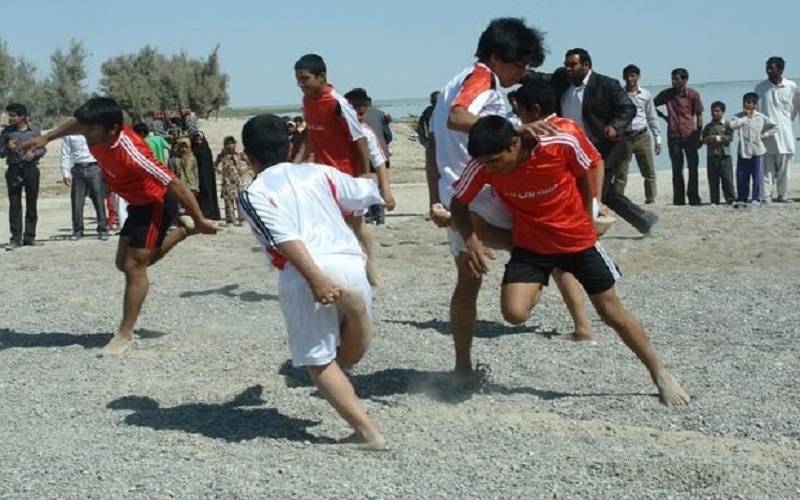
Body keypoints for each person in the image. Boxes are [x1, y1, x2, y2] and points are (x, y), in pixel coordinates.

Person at [451, 114, 691, 406]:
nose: (492, 168)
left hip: (577, 241)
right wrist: (472, 240)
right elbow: (458, 205)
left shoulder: (557, 143)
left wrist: (587, 214)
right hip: (531, 245)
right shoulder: (482, 165)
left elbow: (585, 170)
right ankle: (539, 279)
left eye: (497, 160)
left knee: (612, 313)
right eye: (487, 163)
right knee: (514, 314)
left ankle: (660, 373)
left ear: (515, 143)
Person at [20, 97, 217, 356]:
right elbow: (77, 123)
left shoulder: (133, 150)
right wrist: (47, 137)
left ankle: (124, 334)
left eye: (91, 129)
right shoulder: (96, 132)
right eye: (85, 127)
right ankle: (182, 231)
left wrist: (200, 218)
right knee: (123, 263)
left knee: (135, 266)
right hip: (135, 202)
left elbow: (175, 184)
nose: (85, 133)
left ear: (112, 128)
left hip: (155, 202)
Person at [238, 114, 385, 450]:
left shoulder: (253, 192)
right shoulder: (320, 173)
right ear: (290, 146)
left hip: (306, 273)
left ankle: (367, 432)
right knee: (345, 358)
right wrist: (372, 171)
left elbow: (284, 238)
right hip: (351, 262)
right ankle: (357, 311)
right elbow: (367, 189)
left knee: (318, 360)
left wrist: (316, 279)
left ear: (249, 157)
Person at [426, 17, 551, 376]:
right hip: (483, 192)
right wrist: (516, 128)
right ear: (496, 58)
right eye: (520, 64)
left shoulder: (452, 82)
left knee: (468, 282)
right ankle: (575, 324)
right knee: (546, 248)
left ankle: (462, 367)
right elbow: (458, 117)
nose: (523, 73)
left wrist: (435, 197)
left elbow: (434, 143)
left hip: (456, 195)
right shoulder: (481, 79)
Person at [543, 49, 658, 235]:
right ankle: (644, 219)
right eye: (566, 65)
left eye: (573, 65)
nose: (568, 69)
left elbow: (627, 108)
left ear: (586, 65)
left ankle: (583, 232)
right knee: (605, 192)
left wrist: (615, 126)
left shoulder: (606, 84)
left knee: (595, 191)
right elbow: (540, 78)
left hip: (605, 149)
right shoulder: (562, 82)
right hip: (575, 150)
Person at [292, 53, 381, 287]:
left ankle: (367, 275)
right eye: (298, 80)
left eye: (305, 79)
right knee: (338, 227)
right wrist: (296, 164)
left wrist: (362, 177)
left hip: (345, 175)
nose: (301, 85)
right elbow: (311, 134)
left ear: (321, 77)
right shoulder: (307, 101)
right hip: (321, 175)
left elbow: (360, 140)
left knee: (351, 228)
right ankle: (360, 275)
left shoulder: (338, 104)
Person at [605, 64, 661, 203]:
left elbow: (652, 116)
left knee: (648, 171)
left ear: (638, 76)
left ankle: (650, 198)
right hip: (624, 137)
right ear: (623, 77)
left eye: (633, 76)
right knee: (621, 172)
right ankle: (618, 199)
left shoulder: (645, 95)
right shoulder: (620, 95)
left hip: (642, 136)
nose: (630, 79)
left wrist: (658, 139)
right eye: (628, 76)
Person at [344, 88, 396, 225]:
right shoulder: (333, 130)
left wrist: (387, 192)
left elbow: (380, 163)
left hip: (358, 182)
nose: (357, 118)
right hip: (339, 182)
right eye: (353, 113)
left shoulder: (367, 132)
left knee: (358, 225)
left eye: (361, 114)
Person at [654, 68, 704, 206]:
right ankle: (679, 199)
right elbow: (651, 105)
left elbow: (699, 115)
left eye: (676, 79)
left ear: (684, 80)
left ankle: (693, 197)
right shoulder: (667, 94)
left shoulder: (693, 94)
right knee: (677, 168)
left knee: (693, 167)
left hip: (690, 134)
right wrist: (664, 117)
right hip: (673, 134)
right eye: (672, 78)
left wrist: (699, 135)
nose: (673, 81)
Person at [754, 56, 800, 203]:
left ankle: (783, 195)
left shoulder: (791, 86)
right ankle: (766, 195)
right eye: (767, 67)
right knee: (767, 167)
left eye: (772, 68)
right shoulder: (760, 88)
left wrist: (785, 121)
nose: (768, 70)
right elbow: (757, 111)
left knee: (785, 167)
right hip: (766, 133)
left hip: (785, 132)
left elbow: (795, 109)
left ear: (780, 69)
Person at [0, 103, 46, 249]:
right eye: (9, 115)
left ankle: (30, 237)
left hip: (31, 169)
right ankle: (15, 239)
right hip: (13, 170)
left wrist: (34, 154)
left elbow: (43, 149)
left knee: (31, 204)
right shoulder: (6, 132)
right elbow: (0, 153)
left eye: (13, 115)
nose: (10, 118)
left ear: (22, 117)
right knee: (15, 205)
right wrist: (8, 148)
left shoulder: (35, 130)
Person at [728, 93, 777, 206]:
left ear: (755, 104)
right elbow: (732, 126)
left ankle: (756, 198)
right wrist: (745, 118)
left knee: (757, 175)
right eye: (745, 102)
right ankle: (742, 197)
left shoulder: (760, 117)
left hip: (757, 151)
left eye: (749, 102)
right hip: (743, 151)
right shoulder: (738, 116)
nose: (746, 104)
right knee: (741, 175)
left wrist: (765, 134)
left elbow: (775, 126)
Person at [60, 134, 109, 240]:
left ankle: (102, 228)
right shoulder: (69, 135)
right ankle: (78, 230)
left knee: (99, 200)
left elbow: (103, 150)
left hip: (94, 167)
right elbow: (65, 153)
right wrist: (65, 173)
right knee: (77, 201)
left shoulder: (93, 131)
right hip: (77, 168)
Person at [700, 102, 736, 205]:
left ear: (722, 112)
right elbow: (704, 139)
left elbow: (729, 138)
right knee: (713, 179)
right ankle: (714, 200)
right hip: (712, 156)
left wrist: (717, 138)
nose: (714, 113)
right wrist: (709, 140)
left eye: (717, 111)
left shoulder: (728, 124)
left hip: (725, 156)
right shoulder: (708, 126)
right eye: (713, 111)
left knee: (727, 179)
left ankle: (731, 199)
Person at [214, 136, 249, 226]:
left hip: (238, 181)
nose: (230, 146)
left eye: (232, 144)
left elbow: (249, 163)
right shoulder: (222, 156)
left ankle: (242, 219)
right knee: (228, 201)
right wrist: (220, 171)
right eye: (228, 144)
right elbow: (214, 165)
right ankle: (230, 220)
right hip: (227, 181)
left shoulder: (239, 154)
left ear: (235, 144)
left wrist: (244, 170)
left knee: (240, 201)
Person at [191, 131, 221, 220]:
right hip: (196, 177)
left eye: (200, 139)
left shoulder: (206, 150)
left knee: (208, 193)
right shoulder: (193, 150)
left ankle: (210, 213)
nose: (199, 141)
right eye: (196, 140)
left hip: (207, 177)